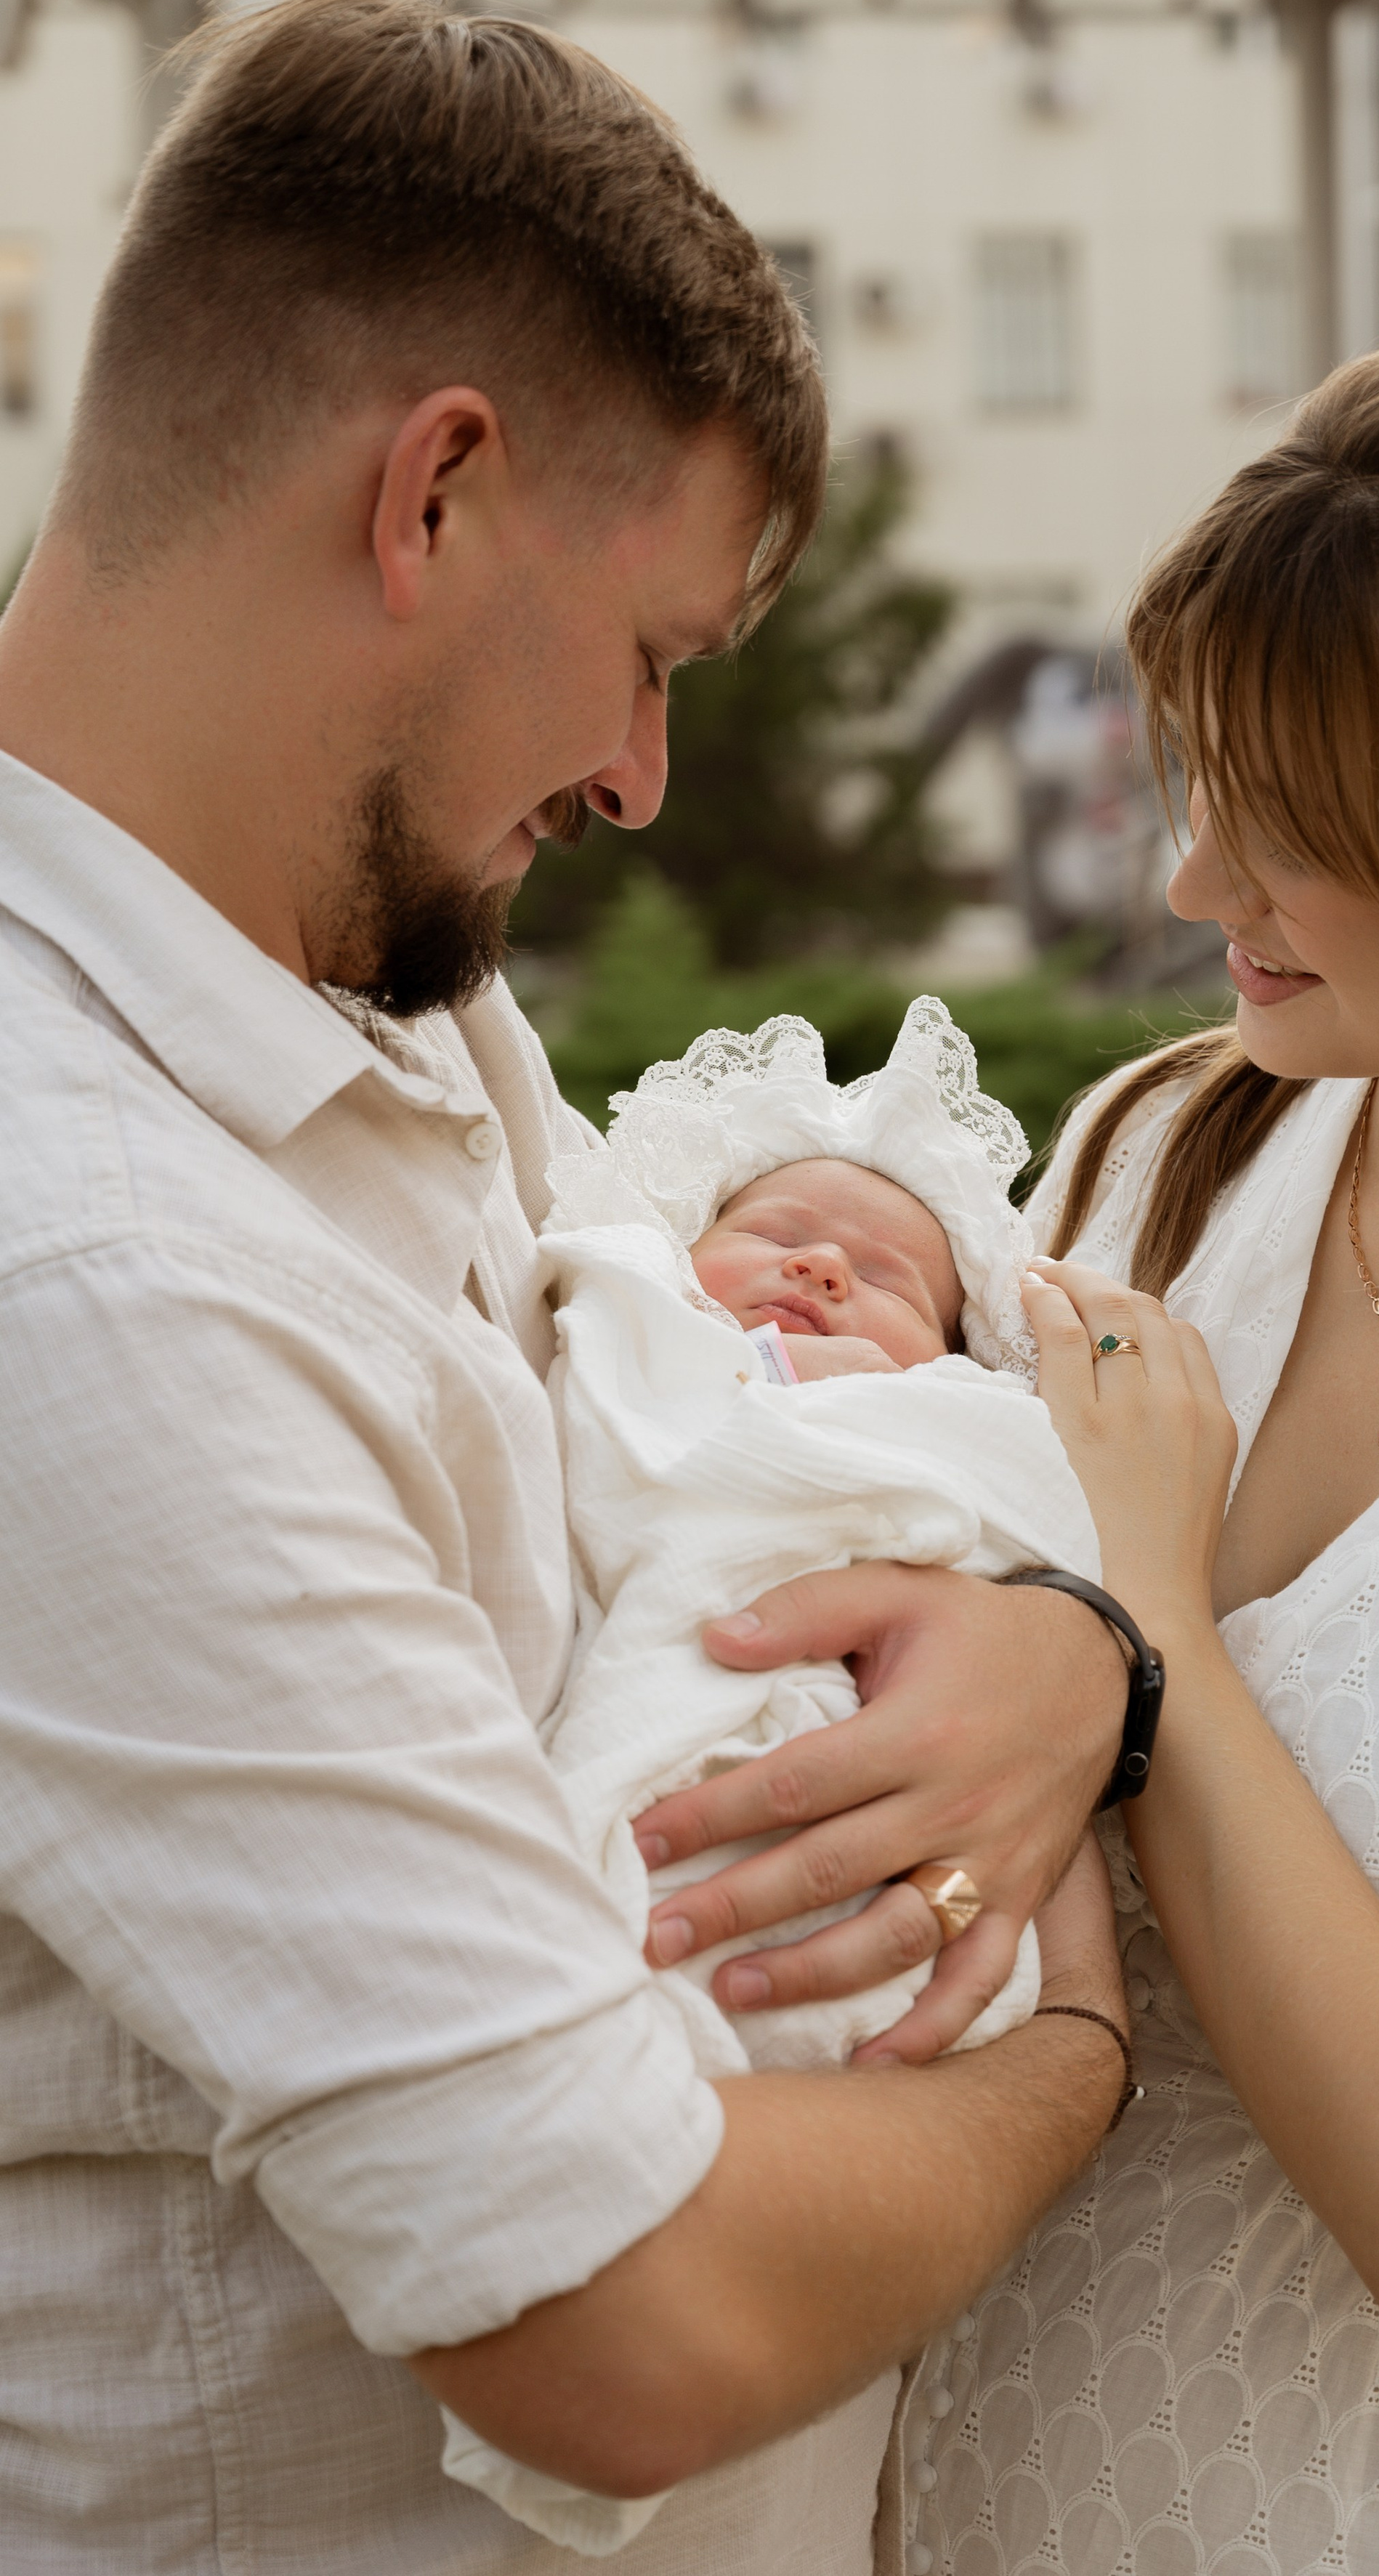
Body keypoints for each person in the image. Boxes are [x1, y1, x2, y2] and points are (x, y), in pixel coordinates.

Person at [0, 0, 1139, 2574]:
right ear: (437, 495)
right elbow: (613, 2317)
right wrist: (1075, 2019)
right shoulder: (79, 1268)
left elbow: (726, 1463)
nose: (639, 776)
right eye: (653, 655)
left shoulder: (386, 1001)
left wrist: (1072, 1660)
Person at [638, 324, 1379, 2572]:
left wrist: (1148, 1629)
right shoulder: (1166, 1150)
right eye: (1194, 784)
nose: (1203, 889)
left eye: (1298, 838)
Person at [448, 998, 1112, 2554]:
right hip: (665, 1677)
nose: (823, 1270)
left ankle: (726, 2158)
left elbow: (1039, 1528)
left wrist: (1062, 1625)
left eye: (886, 1278)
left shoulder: (946, 1424)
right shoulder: (632, 1324)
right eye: (780, 1235)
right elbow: (615, 1424)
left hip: (857, 1739)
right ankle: (643, 2197)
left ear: (955, 1353)